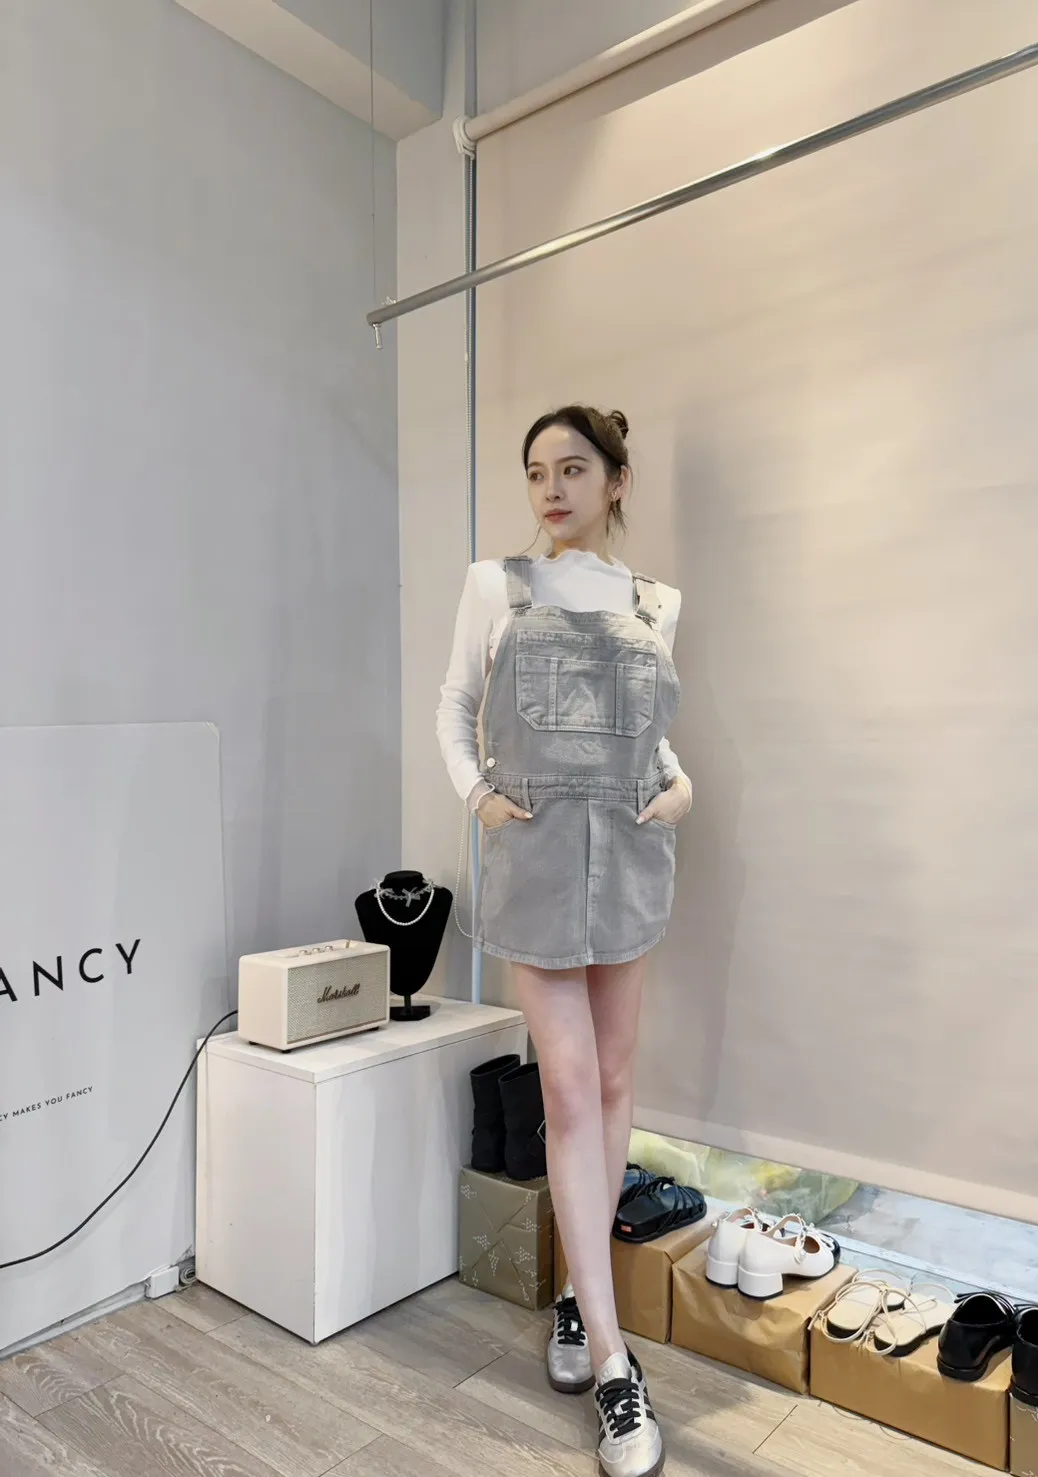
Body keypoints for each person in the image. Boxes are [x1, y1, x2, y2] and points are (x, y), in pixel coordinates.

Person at [437, 404, 691, 1477]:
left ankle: (582, 1303)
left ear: (616, 480)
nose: (551, 489)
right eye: (537, 471)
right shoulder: (494, 586)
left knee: (617, 1078)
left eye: (574, 468)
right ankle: (616, 1364)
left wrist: (681, 787)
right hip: (536, 857)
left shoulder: (655, 602)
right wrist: (480, 798)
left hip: (630, 853)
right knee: (572, 1088)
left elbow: (651, 736)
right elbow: (456, 704)